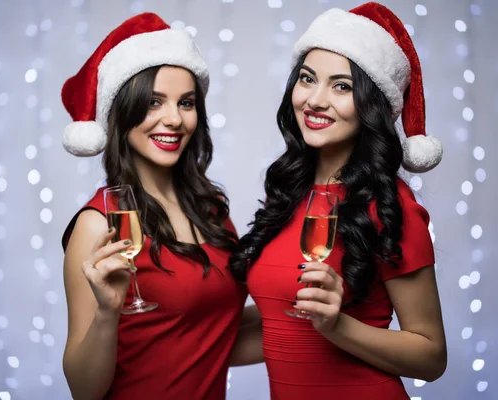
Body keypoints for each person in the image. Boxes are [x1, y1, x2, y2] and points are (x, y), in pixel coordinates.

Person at [229, 2, 447, 399]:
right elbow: (278, 326)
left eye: (341, 86)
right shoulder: (289, 193)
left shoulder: (390, 205)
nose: (315, 100)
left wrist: (337, 325)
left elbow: (431, 357)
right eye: (307, 79)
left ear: (371, 105)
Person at [60, 13, 247, 399]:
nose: (174, 119)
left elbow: (215, 333)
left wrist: (329, 313)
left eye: (187, 103)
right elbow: (83, 390)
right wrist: (107, 314)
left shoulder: (211, 209)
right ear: (122, 112)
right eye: (153, 102)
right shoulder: (99, 225)